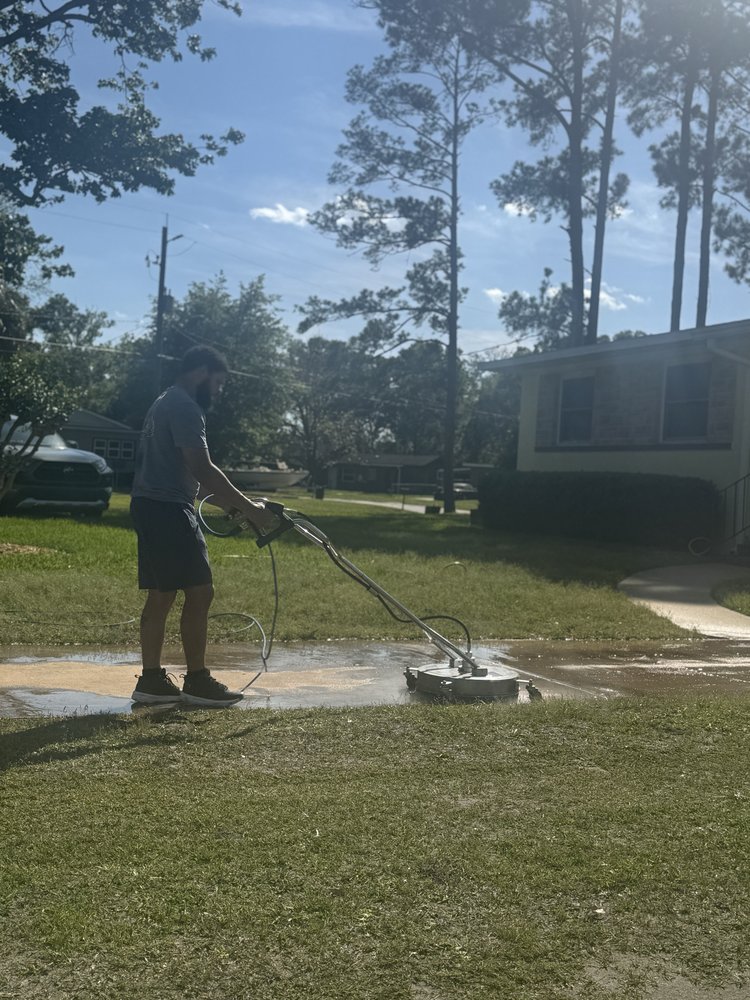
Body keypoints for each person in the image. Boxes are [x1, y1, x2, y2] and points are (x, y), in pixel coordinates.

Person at [129, 344, 278, 707]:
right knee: (200, 591)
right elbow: (202, 468)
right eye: (218, 382)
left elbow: (183, 469)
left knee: (162, 594)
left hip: (150, 504)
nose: (218, 390)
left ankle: (152, 681)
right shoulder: (185, 406)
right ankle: (197, 681)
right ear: (200, 372)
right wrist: (251, 508)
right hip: (167, 509)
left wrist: (229, 505)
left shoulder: (165, 400)